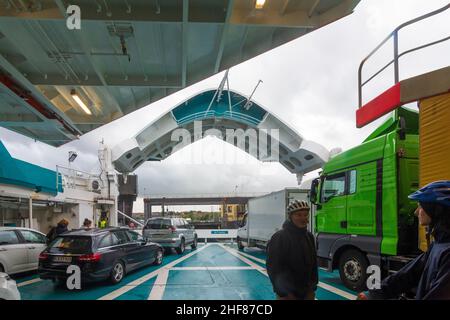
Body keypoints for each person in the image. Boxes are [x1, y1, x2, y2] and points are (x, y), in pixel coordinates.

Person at [358, 180, 450, 300]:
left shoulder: (446, 251)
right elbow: (409, 273)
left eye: (420, 206)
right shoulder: (438, 244)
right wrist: (374, 294)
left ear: (437, 209)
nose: (416, 212)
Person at [266, 200, 318, 300]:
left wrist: (312, 288)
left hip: (307, 292)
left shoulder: (309, 236)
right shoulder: (280, 237)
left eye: (305, 215)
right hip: (287, 295)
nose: (303, 218)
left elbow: (313, 265)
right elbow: (274, 268)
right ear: (290, 217)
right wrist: (284, 293)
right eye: (298, 215)